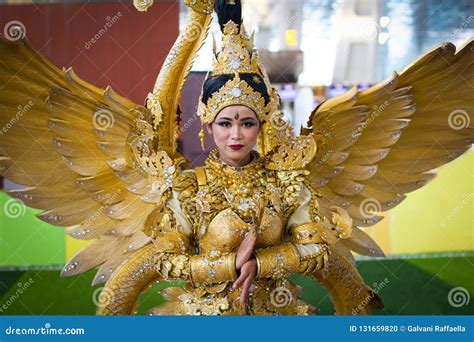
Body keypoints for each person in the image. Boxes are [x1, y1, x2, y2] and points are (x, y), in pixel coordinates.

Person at [0, 0, 472, 316]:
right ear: (208, 128)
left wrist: (263, 266)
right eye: (225, 123)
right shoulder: (189, 188)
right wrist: (225, 268)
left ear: (262, 125)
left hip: (276, 313)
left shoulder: (289, 180)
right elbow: (161, 261)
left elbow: (320, 252)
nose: (236, 134)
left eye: (247, 122)